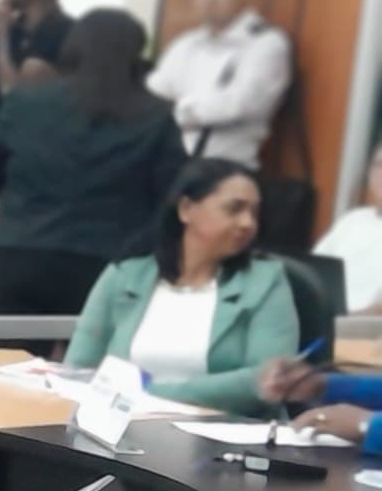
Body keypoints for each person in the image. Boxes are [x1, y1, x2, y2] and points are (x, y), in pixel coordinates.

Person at [0, 9, 183, 317]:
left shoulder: (26, 101)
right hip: (110, 261)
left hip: (20, 251)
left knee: (7, 348)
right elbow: (173, 195)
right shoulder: (155, 115)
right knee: (99, 349)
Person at [59, 159, 290, 413]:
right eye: (234, 209)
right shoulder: (126, 275)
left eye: (254, 213)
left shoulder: (265, 281)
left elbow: (267, 379)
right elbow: (78, 369)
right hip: (120, 427)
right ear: (186, 209)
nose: (248, 223)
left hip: (224, 431)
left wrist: (145, 394)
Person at [148, 0, 292, 163]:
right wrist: (190, 109)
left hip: (221, 169)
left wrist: (176, 109)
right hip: (166, 162)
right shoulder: (185, 44)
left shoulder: (266, 44)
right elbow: (151, 97)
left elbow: (235, 106)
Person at [311, 145, 382, 310]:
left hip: (361, 324)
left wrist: (342, 321)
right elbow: (313, 272)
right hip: (321, 314)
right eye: (379, 165)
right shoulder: (353, 219)